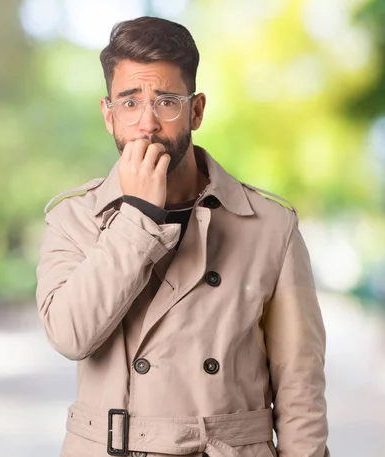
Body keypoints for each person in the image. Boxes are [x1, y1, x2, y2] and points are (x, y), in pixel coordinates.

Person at [36, 16, 329, 457]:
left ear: (196, 110)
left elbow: (299, 386)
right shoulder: (74, 218)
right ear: (108, 114)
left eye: (167, 102)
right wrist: (137, 216)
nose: (148, 123)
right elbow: (70, 335)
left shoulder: (270, 226)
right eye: (130, 102)